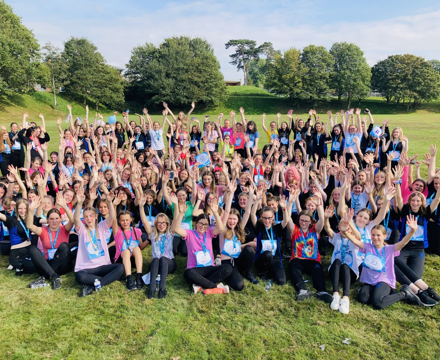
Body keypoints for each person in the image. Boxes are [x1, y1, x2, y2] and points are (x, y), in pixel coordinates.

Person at [347, 215, 425, 309]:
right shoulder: (368, 247)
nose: (375, 237)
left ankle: (404, 293)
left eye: (378, 235)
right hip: (369, 281)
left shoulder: (390, 249)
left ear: (385, 236)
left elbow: (403, 242)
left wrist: (412, 231)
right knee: (363, 300)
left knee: (377, 303)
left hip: (384, 280)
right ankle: (385, 292)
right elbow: (355, 241)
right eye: (373, 235)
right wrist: (345, 231)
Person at [172, 201, 232, 295]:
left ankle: (199, 285)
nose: (203, 226)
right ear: (196, 223)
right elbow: (176, 229)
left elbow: (220, 228)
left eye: (205, 224)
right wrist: (181, 213)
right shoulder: (189, 233)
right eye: (201, 223)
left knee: (228, 268)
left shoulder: (209, 232)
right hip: (195, 269)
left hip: (209, 267)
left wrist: (216, 213)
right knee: (188, 273)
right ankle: (216, 287)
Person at [73, 188, 124, 297]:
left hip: (102, 265)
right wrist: (79, 204)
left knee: (120, 267)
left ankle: (94, 285)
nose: (88, 218)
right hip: (86, 268)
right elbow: (76, 218)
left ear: (96, 217)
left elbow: (112, 217)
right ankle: (108, 279)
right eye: (86, 217)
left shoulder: (101, 227)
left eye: (91, 216)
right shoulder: (82, 230)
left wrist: (110, 202)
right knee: (79, 277)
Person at [25, 194, 77, 289]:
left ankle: (45, 276)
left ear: (60, 219)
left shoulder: (64, 229)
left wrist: (64, 206)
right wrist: (31, 210)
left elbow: (73, 220)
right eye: (51, 219)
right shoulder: (43, 230)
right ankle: (54, 276)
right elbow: (29, 226)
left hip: (62, 265)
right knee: (32, 248)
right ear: (47, 220)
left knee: (64, 246)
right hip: (47, 264)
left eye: (57, 218)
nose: (54, 221)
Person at [324, 208, 362, 314]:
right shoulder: (336, 237)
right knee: (337, 261)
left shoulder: (354, 239)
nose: (346, 228)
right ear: (339, 228)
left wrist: (350, 222)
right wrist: (326, 218)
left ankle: (346, 298)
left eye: (348, 227)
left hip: (350, 273)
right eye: (343, 226)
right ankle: (335, 295)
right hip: (335, 271)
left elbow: (358, 236)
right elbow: (327, 228)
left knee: (345, 265)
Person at [139, 194, 176, 299]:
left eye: (163, 222)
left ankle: (162, 288)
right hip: (156, 265)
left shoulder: (170, 233)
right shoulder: (152, 233)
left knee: (163, 258)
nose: (161, 225)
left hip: (169, 264)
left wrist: (176, 206)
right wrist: (141, 207)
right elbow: (145, 221)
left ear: (167, 223)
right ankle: (152, 288)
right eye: (159, 223)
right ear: (155, 224)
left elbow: (176, 219)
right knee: (155, 259)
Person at [112, 198, 145, 291]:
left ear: (131, 220)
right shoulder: (117, 231)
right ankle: (129, 278)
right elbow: (113, 219)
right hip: (121, 259)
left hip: (133, 260)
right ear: (119, 221)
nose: (125, 222)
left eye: (127, 220)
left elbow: (141, 246)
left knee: (137, 249)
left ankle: (139, 276)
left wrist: (149, 240)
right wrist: (114, 206)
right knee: (126, 251)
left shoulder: (136, 231)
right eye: (122, 220)